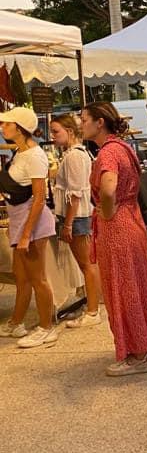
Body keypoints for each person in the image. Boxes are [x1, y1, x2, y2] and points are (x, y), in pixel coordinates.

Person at [82, 102, 147, 376]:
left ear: (99, 122)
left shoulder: (108, 153)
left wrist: (108, 209)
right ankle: (144, 345)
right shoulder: (122, 147)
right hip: (131, 220)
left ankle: (137, 354)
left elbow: (109, 185)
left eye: (84, 120)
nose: (81, 125)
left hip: (117, 227)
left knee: (122, 288)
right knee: (135, 286)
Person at [0, 107, 58, 347]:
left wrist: (26, 234)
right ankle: (17, 321)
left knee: (38, 278)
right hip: (19, 219)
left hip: (32, 223)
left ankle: (47, 327)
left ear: (20, 128)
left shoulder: (34, 156)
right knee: (22, 277)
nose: (3, 127)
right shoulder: (20, 153)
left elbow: (39, 197)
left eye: (7, 124)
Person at [50, 114, 101, 328]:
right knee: (86, 265)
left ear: (70, 131)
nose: (52, 136)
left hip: (78, 216)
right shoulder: (73, 154)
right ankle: (91, 305)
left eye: (56, 132)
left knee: (87, 265)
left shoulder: (74, 156)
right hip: (75, 216)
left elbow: (76, 193)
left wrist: (68, 223)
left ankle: (93, 310)